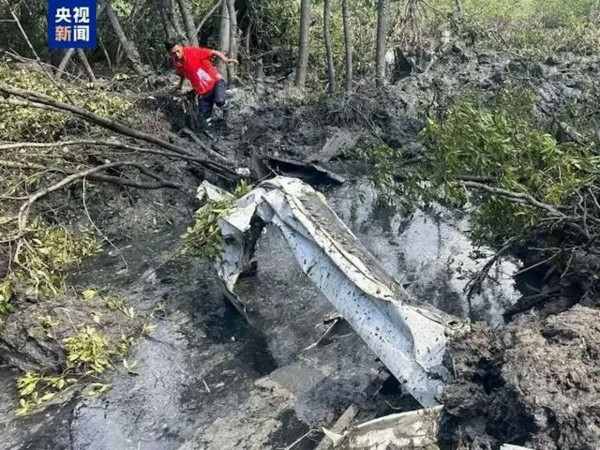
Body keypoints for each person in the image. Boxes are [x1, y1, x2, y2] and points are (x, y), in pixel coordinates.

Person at [165, 40, 237, 128]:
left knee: (220, 101)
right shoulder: (176, 63)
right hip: (202, 91)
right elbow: (182, 74)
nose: (177, 55)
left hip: (214, 81)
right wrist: (180, 85)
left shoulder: (192, 51)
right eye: (173, 53)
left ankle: (227, 104)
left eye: (177, 51)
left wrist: (225, 59)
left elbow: (213, 52)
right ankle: (213, 133)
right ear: (169, 54)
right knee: (203, 120)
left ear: (180, 46)